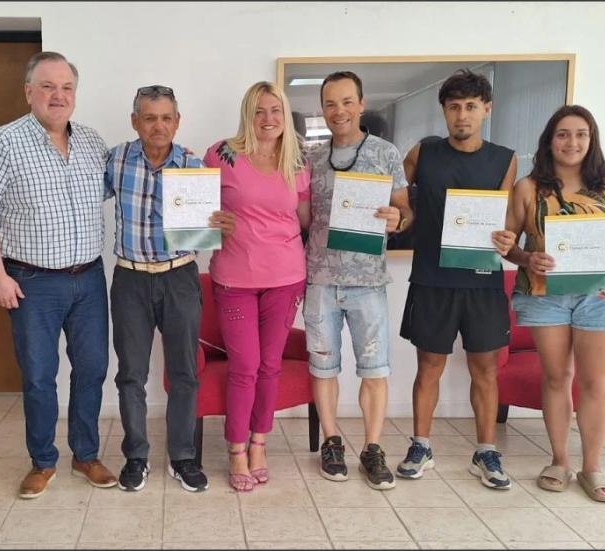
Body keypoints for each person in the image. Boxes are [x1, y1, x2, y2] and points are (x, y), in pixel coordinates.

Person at [0, 51, 118, 499]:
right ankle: (43, 461)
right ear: (29, 91)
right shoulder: (6, 141)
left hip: (89, 277)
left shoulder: (92, 141)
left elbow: (123, 189)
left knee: (92, 369)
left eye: (66, 87)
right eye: (48, 86)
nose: (58, 95)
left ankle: (86, 455)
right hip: (33, 281)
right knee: (38, 375)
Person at [502, 104, 605, 502]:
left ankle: (591, 467)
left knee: (595, 382)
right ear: (549, 140)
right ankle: (559, 459)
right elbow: (507, 245)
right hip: (546, 297)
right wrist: (527, 257)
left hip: (601, 294)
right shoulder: (528, 187)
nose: (571, 142)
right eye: (563, 134)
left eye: (580, 134)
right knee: (557, 377)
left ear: (591, 140)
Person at [106, 85, 234, 492]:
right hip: (129, 279)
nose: (158, 125)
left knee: (184, 373)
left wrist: (222, 227)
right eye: (149, 117)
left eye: (166, 118)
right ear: (135, 122)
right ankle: (136, 456)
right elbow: (78, 196)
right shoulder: (115, 160)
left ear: (177, 122)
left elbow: (213, 226)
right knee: (131, 374)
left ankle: (182, 457)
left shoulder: (194, 168)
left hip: (180, 277)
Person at [397, 69, 518, 490]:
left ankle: (486, 451)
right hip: (432, 278)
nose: (461, 116)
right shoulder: (422, 153)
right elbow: (402, 205)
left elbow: (505, 221)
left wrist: (508, 238)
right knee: (428, 366)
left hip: (483, 279)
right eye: (453, 107)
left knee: (485, 369)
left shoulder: (505, 158)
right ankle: (420, 445)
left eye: (470, 107)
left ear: (486, 109)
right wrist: (400, 218)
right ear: (444, 112)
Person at [304, 71, 412, 491]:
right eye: (330, 103)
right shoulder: (311, 158)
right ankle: (332, 441)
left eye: (347, 102)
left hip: (368, 280)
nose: (339, 111)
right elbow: (301, 217)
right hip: (320, 279)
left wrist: (397, 218)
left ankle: (372, 447)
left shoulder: (386, 154)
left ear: (362, 104)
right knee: (323, 364)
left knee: (375, 368)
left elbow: (405, 211)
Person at [203, 81, 311, 492]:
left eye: (276, 111)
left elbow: (303, 220)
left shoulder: (297, 161)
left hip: (286, 277)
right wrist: (214, 221)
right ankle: (235, 449)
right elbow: (198, 208)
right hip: (235, 278)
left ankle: (259, 442)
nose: (268, 119)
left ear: (285, 115)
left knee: (270, 366)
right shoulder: (222, 153)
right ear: (248, 114)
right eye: (260, 111)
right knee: (244, 367)